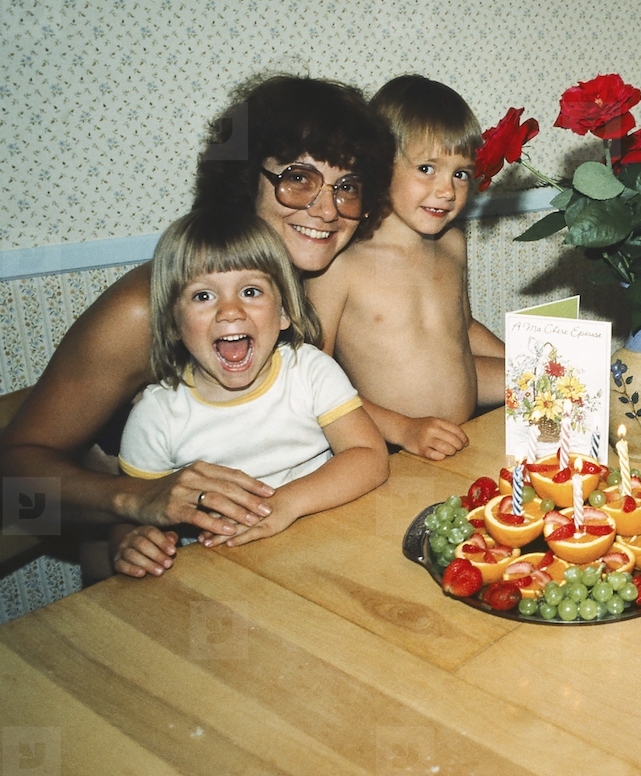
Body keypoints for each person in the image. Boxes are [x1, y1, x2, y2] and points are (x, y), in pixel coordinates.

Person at [0, 75, 394, 580]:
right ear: (245, 175)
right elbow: (12, 486)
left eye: (347, 187)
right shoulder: (144, 310)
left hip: (279, 552)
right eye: (298, 177)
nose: (326, 209)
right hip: (156, 569)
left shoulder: (309, 276)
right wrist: (137, 500)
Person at [113, 209, 388, 577]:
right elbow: (131, 510)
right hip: (223, 578)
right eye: (203, 295)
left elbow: (370, 457)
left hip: (326, 550)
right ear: (173, 324)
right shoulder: (156, 415)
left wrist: (287, 504)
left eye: (251, 291)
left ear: (284, 312)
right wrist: (130, 542)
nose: (229, 311)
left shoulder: (308, 371)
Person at [308, 74, 505, 461]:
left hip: (466, 435)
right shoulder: (340, 263)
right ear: (380, 164)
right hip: (394, 449)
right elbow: (311, 382)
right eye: (427, 168)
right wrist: (404, 428)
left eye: (460, 173)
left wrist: (522, 363)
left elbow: (462, 329)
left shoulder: (452, 243)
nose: (447, 190)